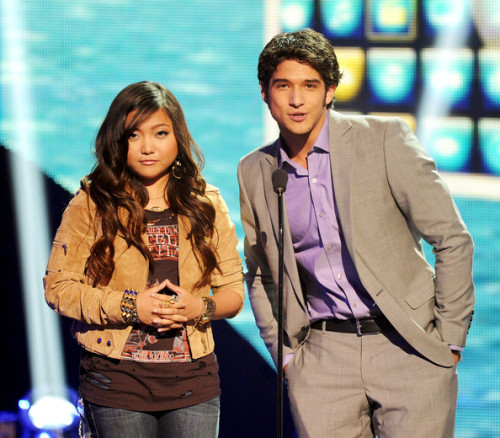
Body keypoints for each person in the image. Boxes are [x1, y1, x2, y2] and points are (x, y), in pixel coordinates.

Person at [237, 28, 474, 438]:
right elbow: (260, 272)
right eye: (284, 86)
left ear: (330, 91)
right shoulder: (254, 170)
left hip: (408, 344)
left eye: (310, 86)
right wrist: (287, 354)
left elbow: (452, 239)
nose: (297, 100)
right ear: (264, 92)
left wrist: (448, 343)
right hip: (323, 356)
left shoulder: (384, 139)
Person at [44, 81, 244, 438]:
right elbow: (58, 289)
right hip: (116, 382)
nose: (147, 147)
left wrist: (198, 308)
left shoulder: (206, 203)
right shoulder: (92, 203)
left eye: (160, 133)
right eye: (133, 135)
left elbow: (233, 292)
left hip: (193, 384)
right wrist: (131, 306)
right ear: (117, 141)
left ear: (178, 137)